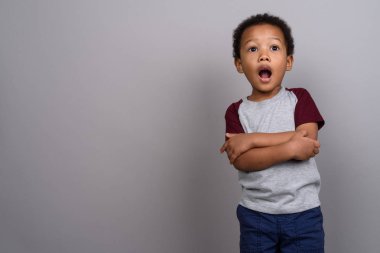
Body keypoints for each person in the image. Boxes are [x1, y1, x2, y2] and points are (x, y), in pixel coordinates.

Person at [220, 13, 325, 253]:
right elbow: (243, 161)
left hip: (303, 214)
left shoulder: (300, 98)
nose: (264, 55)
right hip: (256, 216)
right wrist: (290, 145)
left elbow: (307, 143)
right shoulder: (236, 112)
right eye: (253, 49)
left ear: (288, 61)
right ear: (239, 64)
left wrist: (252, 139)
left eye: (274, 47)